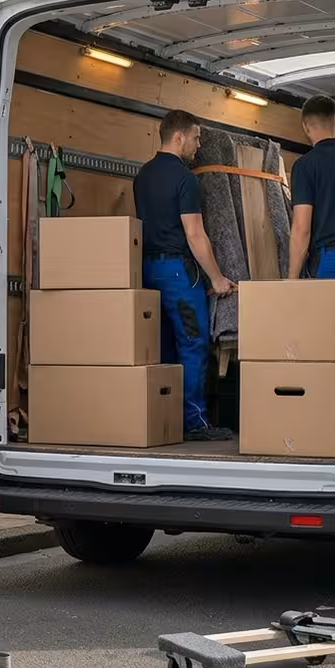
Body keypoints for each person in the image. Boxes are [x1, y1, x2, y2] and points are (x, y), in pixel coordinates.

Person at [134, 110, 235, 441]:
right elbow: (194, 234)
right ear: (178, 137)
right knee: (192, 344)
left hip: (147, 270)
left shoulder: (142, 176)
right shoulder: (185, 179)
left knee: (161, 346)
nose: (198, 144)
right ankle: (194, 421)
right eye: (196, 137)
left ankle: (161, 419)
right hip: (179, 273)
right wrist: (217, 278)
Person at [287, 95, 335, 280]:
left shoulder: (305, 166)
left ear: (305, 126)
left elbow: (301, 228)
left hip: (329, 260)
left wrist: (292, 279)